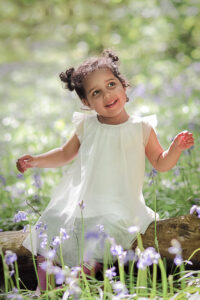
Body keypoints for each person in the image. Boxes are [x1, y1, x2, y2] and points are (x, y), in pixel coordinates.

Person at [16, 49, 194, 289]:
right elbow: (65, 153)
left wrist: (175, 149)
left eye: (111, 85)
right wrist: (36, 160)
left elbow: (161, 163)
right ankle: (45, 286)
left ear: (124, 86)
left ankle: (74, 285)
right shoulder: (87, 125)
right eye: (96, 92)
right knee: (51, 221)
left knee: (103, 234)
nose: (107, 95)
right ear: (87, 103)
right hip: (84, 202)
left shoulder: (140, 127)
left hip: (120, 206)